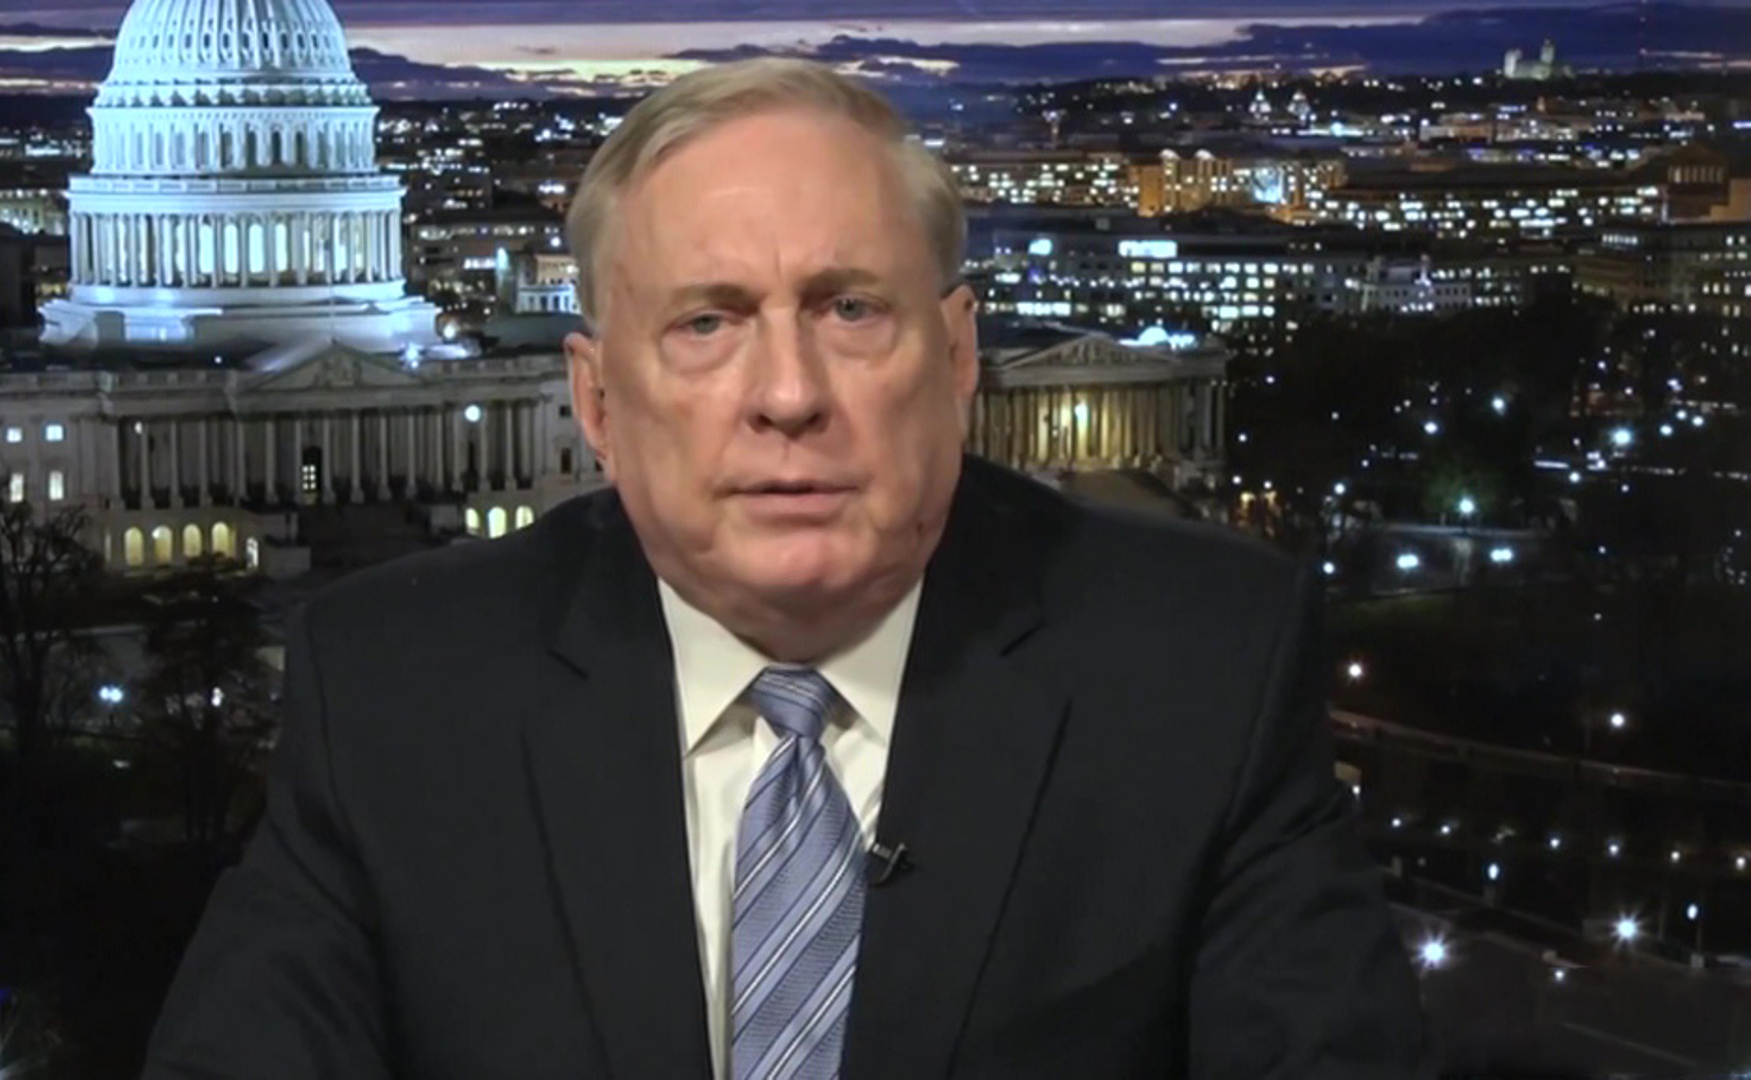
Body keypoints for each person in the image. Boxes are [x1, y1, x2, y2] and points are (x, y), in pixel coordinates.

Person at [142, 57, 1430, 1079]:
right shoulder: (395, 690)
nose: (789, 396)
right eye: (706, 323)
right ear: (596, 398)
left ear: (959, 357)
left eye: (850, 309)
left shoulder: (1204, 667)